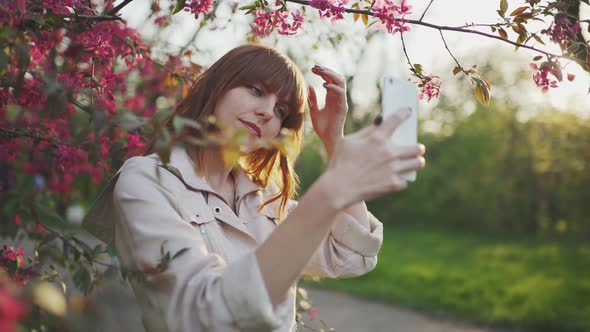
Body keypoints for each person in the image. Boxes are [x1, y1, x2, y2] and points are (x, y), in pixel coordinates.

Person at [83, 44, 426, 332]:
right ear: (217, 87)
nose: (265, 112)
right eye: (256, 90)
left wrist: (334, 143)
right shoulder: (145, 181)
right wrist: (329, 192)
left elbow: (351, 257)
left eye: (281, 110)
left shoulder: (263, 199)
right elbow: (201, 315)